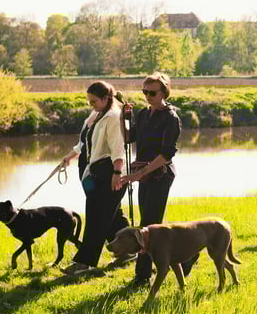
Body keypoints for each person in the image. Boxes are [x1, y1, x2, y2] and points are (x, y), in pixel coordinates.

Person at [119, 72, 196, 289]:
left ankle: (142, 276)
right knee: (150, 224)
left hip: (160, 175)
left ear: (164, 92)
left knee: (148, 227)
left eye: (152, 92)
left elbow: (167, 154)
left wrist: (139, 174)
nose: (147, 96)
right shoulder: (143, 114)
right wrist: (123, 117)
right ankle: (187, 256)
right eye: (145, 92)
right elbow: (128, 138)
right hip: (143, 175)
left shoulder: (170, 118)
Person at [59, 81, 127, 276]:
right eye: (89, 102)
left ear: (106, 98)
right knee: (113, 218)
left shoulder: (113, 117)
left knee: (96, 218)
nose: (91, 105)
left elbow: (117, 148)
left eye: (94, 101)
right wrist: (70, 156)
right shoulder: (96, 115)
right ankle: (130, 251)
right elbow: (85, 143)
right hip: (94, 172)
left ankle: (84, 262)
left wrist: (117, 173)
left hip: (108, 173)